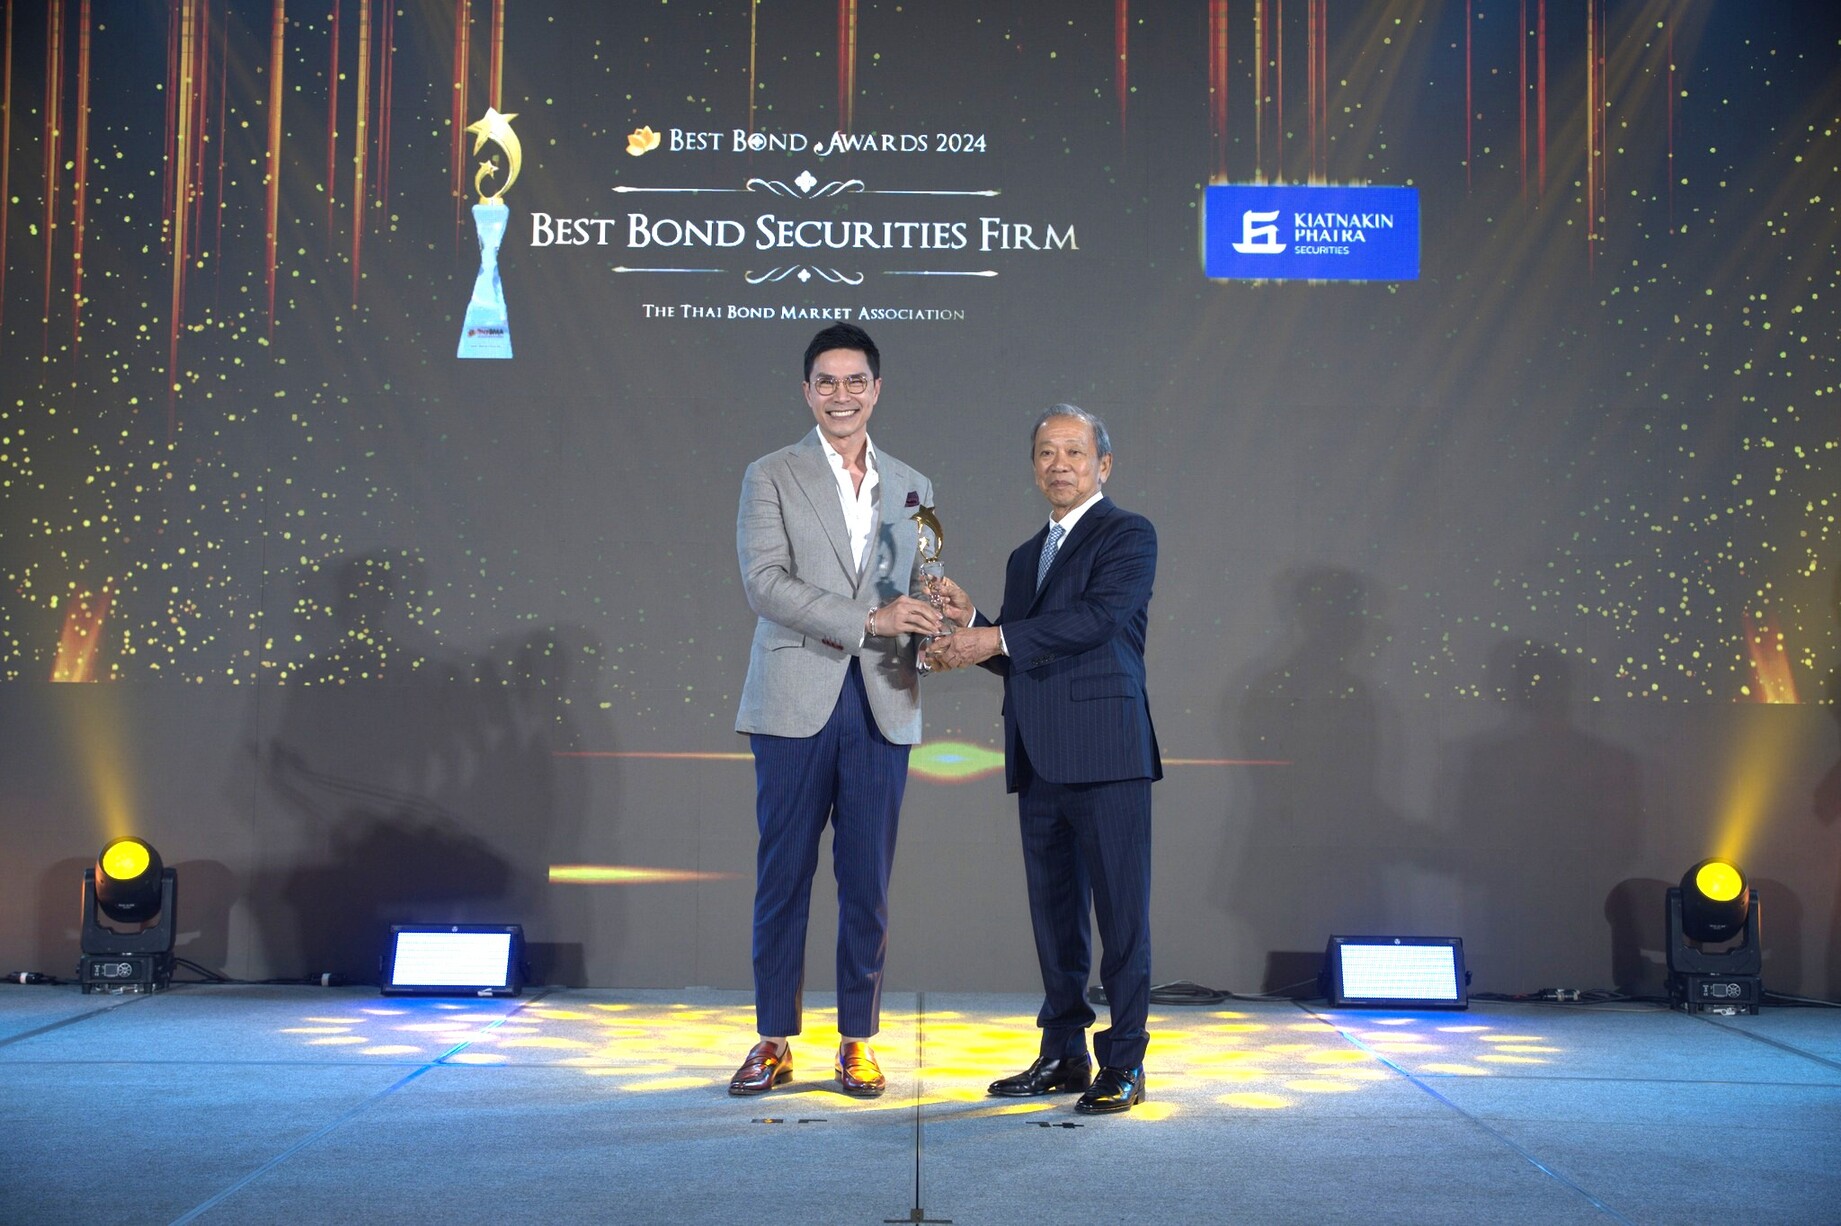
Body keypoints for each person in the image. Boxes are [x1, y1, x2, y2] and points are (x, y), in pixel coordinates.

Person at [728, 323, 943, 1099]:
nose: (841, 395)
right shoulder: (769, 474)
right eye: (826, 382)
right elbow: (764, 582)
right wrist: (868, 620)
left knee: (867, 882)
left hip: (884, 698)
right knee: (782, 875)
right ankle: (772, 1039)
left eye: (855, 381)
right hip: (795, 695)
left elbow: (919, 587)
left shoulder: (914, 485)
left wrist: (939, 614)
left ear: (876, 390)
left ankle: (858, 1040)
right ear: (807, 391)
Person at [927, 404, 1160, 1114]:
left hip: (1108, 754)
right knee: (1055, 918)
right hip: (1038, 756)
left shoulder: (1128, 534)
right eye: (1046, 453)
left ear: (1103, 464)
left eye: (1074, 451)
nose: (1059, 464)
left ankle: (1124, 1062)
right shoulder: (1025, 555)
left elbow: (1096, 621)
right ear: (1033, 468)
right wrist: (971, 624)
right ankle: (1062, 1053)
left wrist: (992, 637)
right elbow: (1021, 654)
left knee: (1121, 918)